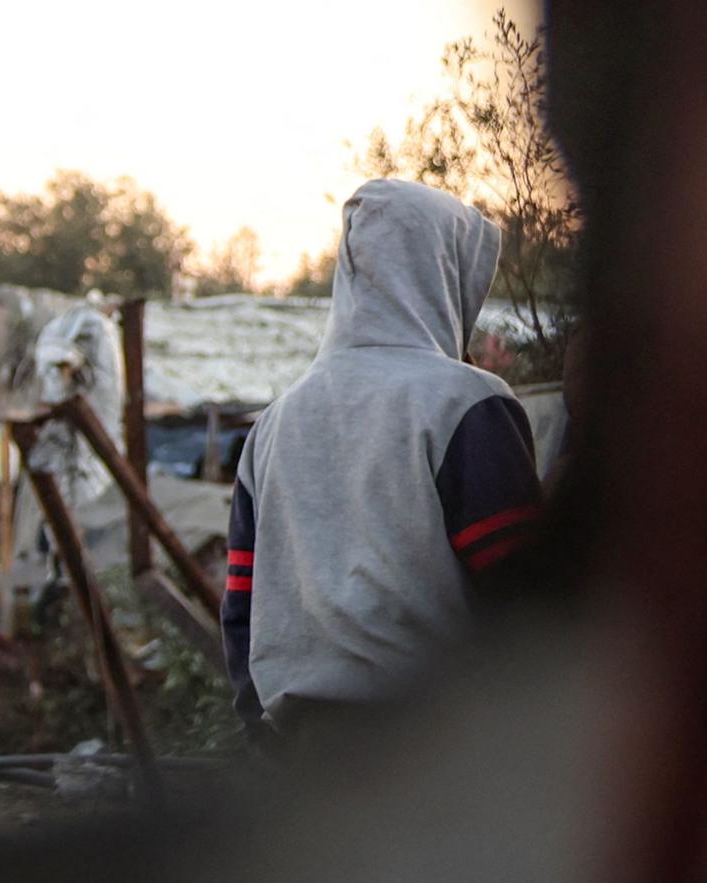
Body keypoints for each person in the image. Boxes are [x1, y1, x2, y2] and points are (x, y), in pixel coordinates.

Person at [223, 179, 545, 744]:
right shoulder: (465, 403)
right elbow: (521, 599)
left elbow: (241, 608)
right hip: (432, 758)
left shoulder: (274, 424)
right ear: (443, 274)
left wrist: (264, 741)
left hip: (304, 756)